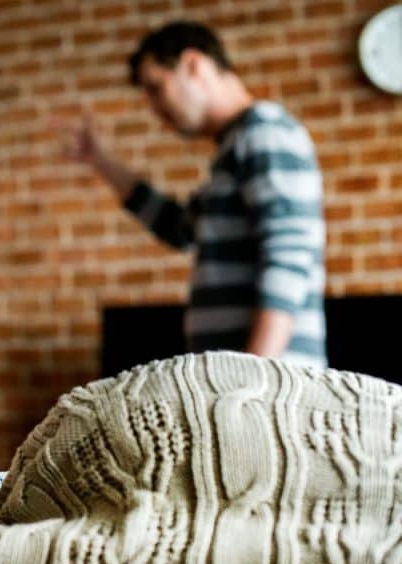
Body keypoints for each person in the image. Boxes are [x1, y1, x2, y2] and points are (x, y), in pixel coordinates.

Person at [62, 21, 326, 368]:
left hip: (266, 388)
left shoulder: (264, 132)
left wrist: (252, 375)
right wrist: (101, 161)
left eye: (157, 88)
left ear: (194, 65)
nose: (155, 108)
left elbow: (289, 254)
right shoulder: (233, 148)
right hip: (247, 385)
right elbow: (181, 228)